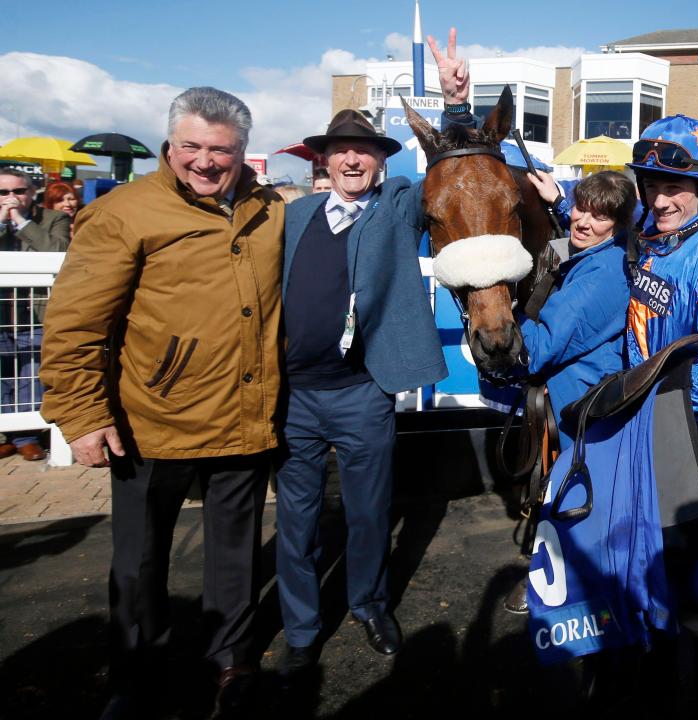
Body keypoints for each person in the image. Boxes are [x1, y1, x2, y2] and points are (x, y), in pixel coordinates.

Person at [39, 87, 284, 719]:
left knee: (235, 553)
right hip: (152, 418)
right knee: (140, 559)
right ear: (171, 145)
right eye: (193, 147)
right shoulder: (124, 212)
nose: (205, 161)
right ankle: (134, 674)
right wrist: (82, 415)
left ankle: (231, 662)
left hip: (243, 415)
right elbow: (75, 323)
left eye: (221, 150)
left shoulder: (270, 208)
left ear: (243, 153)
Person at [526, 115, 698, 714]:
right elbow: (597, 222)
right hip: (643, 423)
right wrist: (560, 202)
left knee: (697, 578)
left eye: (675, 187)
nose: (662, 198)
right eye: (652, 184)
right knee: (648, 571)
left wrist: (671, 425)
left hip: (691, 429)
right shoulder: (646, 231)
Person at [274, 29, 467, 676]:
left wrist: (455, 102)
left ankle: (369, 602)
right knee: (296, 524)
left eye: (364, 150)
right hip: (293, 395)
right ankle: (301, 628)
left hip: (363, 393)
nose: (353, 160)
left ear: (381, 161)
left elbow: (452, 171)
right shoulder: (293, 217)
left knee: (367, 516)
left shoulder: (399, 206)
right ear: (322, 161)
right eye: (341, 151)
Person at [519, 171, 634, 447]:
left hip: (584, 421)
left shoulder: (603, 274)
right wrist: (559, 201)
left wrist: (504, 309)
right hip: (575, 408)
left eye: (599, 217)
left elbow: (538, 349)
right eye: (580, 208)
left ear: (618, 225)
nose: (582, 223)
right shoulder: (605, 251)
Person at [0, 168, 71, 461]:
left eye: (18, 191)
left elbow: (60, 251)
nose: (11, 199)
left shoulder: (54, 219)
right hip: (3, 314)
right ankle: (8, 435)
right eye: (3, 193)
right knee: (3, 375)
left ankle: (27, 438)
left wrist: (21, 222)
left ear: (32, 193)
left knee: (32, 372)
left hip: (38, 313)